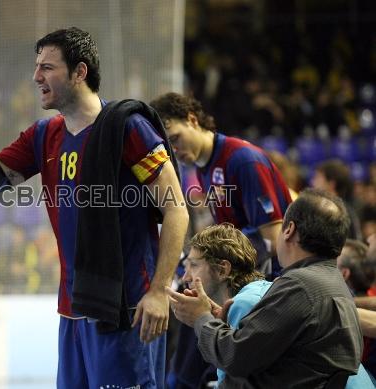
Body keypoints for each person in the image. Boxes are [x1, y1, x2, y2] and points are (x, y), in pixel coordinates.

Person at [0, 27, 188, 388]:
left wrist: (158, 292)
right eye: (36, 66)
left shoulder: (128, 128)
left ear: (80, 72)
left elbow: (176, 209)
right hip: (73, 309)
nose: (36, 76)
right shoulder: (44, 135)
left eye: (47, 67)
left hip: (129, 307)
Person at [150, 92, 292, 388]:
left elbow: (273, 238)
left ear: (192, 119)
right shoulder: (204, 168)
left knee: (190, 346)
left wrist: (205, 260)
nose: (174, 149)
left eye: (175, 138)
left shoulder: (243, 160)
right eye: (168, 146)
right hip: (237, 280)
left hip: (269, 285)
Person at [167, 189, 364, 388]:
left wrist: (201, 318)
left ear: (289, 230)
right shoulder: (335, 284)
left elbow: (234, 358)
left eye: (193, 265)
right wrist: (217, 322)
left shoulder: (300, 286)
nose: (186, 276)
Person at [180, 223, 272, 387]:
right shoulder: (256, 291)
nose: (185, 278)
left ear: (222, 270)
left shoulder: (243, 304)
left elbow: (231, 379)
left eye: (194, 266)